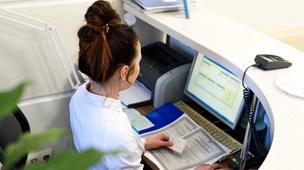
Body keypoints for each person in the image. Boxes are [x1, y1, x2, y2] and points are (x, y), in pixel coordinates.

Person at [69, 1, 231, 170]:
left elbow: (107, 145)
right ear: (124, 72)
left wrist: (143, 143)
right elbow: (116, 141)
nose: (139, 67)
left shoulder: (80, 95)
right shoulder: (117, 133)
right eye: (138, 61)